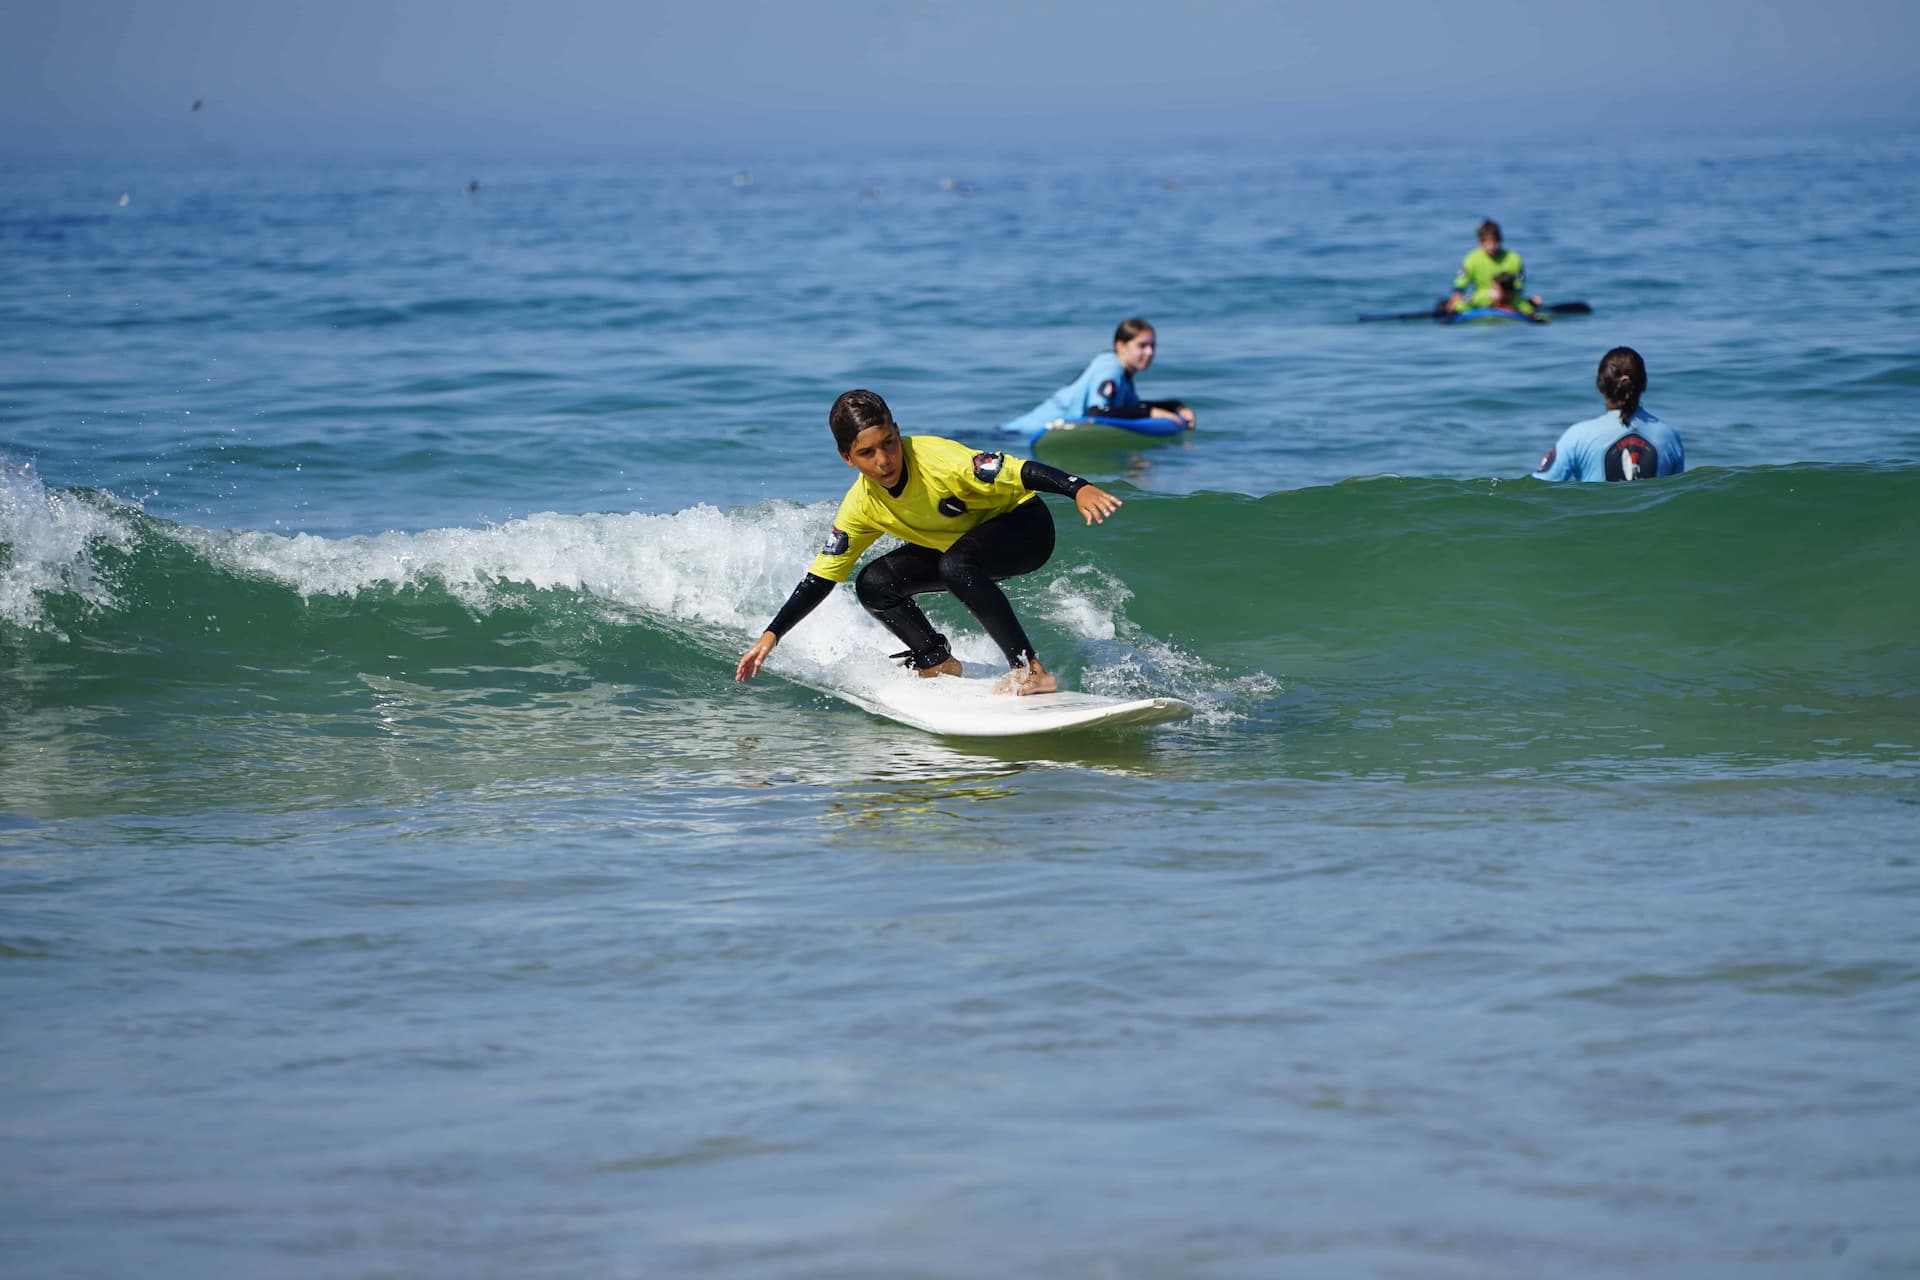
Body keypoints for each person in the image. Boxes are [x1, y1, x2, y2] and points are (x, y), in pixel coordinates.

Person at [736, 389, 1124, 696]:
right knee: (873, 584)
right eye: (867, 453)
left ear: (897, 431)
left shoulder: (939, 460)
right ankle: (936, 661)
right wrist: (772, 635)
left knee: (956, 566)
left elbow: (1018, 470)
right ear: (847, 457)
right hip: (961, 547)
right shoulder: (862, 506)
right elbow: (822, 576)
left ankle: (1029, 669)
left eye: (888, 443)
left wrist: (1077, 488)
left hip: (1024, 529)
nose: (884, 460)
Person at [998, 318, 1195, 438]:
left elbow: (1128, 409)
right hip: (1019, 435)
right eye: (1142, 346)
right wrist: (1150, 413)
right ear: (1120, 346)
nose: (1150, 352)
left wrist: (1176, 406)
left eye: (1153, 346)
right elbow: (1098, 412)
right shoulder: (1110, 368)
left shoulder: (1123, 375)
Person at [1534, 347, 1686, 482]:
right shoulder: (1669, 437)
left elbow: (1540, 488)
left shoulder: (1577, 437)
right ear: (1644, 384)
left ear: (1599, 386)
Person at [1444, 219, 1543, 314]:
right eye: (1486, 242)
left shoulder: (1514, 259)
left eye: (1494, 242)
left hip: (1510, 297)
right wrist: (1455, 299)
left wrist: (1506, 298)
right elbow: (1460, 284)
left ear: (1500, 240)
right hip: (1481, 297)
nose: (1491, 246)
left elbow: (1518, 286)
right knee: (1456, 305)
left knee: (1533, 306)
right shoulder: (1471, 259)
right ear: (1480, 243)